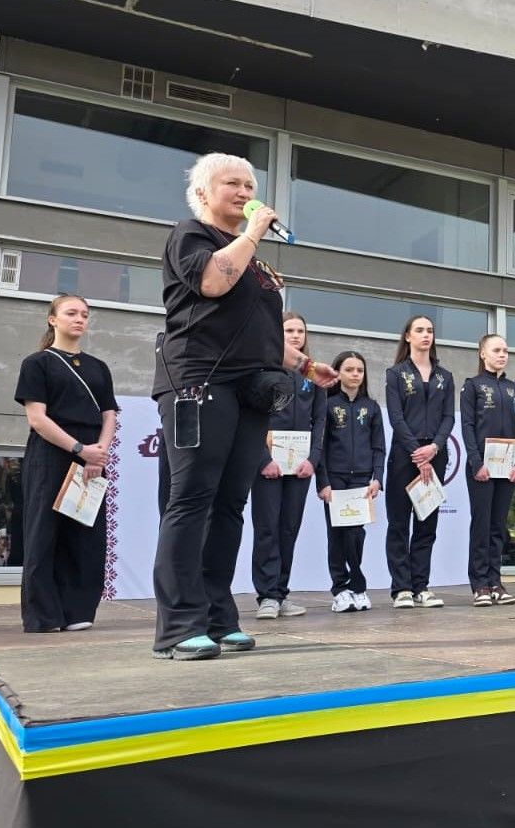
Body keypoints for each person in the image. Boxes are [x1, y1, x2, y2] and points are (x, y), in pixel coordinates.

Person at [152, 152, 337, 661]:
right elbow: (212, 282)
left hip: (250, 388)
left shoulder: (253, 261)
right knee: (191, 498)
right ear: (204, 193)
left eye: (250, 183)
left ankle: (217, 615)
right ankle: (177, 626)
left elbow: (257, 332)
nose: (244, 190)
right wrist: (253, 230)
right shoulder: (191, 235)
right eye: (231, 183)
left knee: (231, 502)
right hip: (198, 382)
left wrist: (304, 366)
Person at [14, 294, 118, 633]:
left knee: (85, 534)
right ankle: (44, 615)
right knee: (44, 535)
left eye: (85, 315)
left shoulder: (99, 367)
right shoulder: (37, 363)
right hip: (51, 455)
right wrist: (78, 448)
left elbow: (109, 414)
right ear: (52, 319)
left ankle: (78, 610)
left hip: (93, 458)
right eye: (71, 313)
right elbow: (37, 419)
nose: (79, 319)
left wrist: (99, 451)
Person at [250, 312, 326, 621]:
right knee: (267, 528)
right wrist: (262, 459)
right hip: (268, 464)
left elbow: (320, 420)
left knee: (288, 529)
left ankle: (281, 592)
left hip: (301, 466)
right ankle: (266, 595)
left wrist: (313, 459)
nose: (295, 336)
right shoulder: (263, 367)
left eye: (300, 331)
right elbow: (251, 418)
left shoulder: (312, 373)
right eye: (289, 330)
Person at [384, 315, 455, 610]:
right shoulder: (396, 374)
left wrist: (434, 448)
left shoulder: (444, 376)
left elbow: (449, 417)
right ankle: (401, 587)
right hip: (405, 455)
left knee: (427, 523)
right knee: (399, 523)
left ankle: (420, 586)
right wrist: (417, 451)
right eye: (420, 330)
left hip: (435, 456)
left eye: (430, 330)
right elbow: (396, 417)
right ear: (408, 337)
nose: (426, 335)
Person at [317, 351, 386, 614]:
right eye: (349, 369)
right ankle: (341, 589)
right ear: (338, 373)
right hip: (335, 480)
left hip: (362, 481)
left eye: (359, 370)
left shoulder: (372, 407)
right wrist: (322, 482)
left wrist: (377, 478)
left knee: (356, 534)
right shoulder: (327, 404)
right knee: (336, 535)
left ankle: (357, 586)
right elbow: (320, 447)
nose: (355, 374)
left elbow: (379, 447)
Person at [462, 334, 515, 607]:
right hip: (482, 469)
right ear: (483, 354)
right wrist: (477, 463)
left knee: (499, 527)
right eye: (496, 350)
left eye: (505, 351)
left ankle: (496, 581)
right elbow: (467, 426)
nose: (502, 355)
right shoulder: (473, 386)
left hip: (507, 469)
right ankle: (480, 585)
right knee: (482, 525)